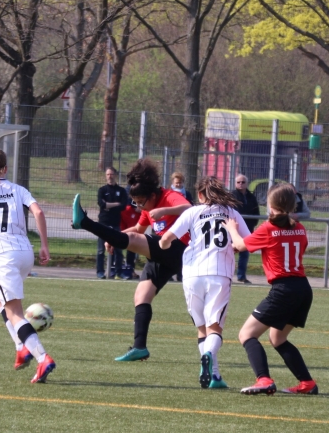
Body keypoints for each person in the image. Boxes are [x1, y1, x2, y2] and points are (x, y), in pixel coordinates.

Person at [71, 159, 191, 361]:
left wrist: (164, 211)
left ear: (153, 195)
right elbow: (137, 229)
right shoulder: (147, 208)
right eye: (136, 202)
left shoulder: (169, 196)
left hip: (179, 248)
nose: (139, 206)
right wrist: (112, 237)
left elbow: (189, 209)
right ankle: (139, 348)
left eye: (142, 202)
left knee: (135, 241)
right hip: (162, 253)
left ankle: (84, 222)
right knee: (141, 296)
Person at [0, 148, 56, 384]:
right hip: (25, 253)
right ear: (6, 168)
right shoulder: (18, 189)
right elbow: (38, 212)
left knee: (15, 312)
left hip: (2, 255)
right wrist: (44, 245)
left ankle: (42, 358)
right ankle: (21, 346)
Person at [225, 183, 318, 395]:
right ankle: (307, 383)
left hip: (283, 289)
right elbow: (296, 247)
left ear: (271, 205)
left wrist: (232, 229)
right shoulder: (299, 227)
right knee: (277, 338)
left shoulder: (268, 228)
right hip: (303, 289)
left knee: (246, 334)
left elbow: (240, 245)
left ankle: (264, 380)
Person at [159, 177, 251, 389]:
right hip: (219, 273)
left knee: (202, 328)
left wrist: (163, 246)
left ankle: (214, 377)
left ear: (200, 195)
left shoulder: (192, 212)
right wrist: (233, 244)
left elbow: (165, 239)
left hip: (192, 274)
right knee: (214, 328)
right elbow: (246, 243)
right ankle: (208, 354)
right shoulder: (231, 213)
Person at [96, 167, 128, 279]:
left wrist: (109, 205)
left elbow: (123, 206)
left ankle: (119, 272)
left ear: (115, 175)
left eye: (111, 174)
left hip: (115, 223)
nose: (110, 176)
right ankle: (100, 272)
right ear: (106, 176)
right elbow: (102, 204)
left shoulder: (121, 191)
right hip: (103, 223)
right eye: (108, 174)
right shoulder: (102, 190)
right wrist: (116, 204)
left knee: (118, 249)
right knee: (101, 250)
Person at [231, 173, 259, 284]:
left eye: (243, 182)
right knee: (230, 252)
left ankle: (241, 276)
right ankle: (228, 275)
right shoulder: (231, 196)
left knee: (244, 254)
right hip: (234, 229)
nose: (241, 184)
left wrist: (251, 225)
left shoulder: (251, 197)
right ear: (235, 183)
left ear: (247, 183)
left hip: (247, 230)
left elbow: (256, 212)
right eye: (238, 182)